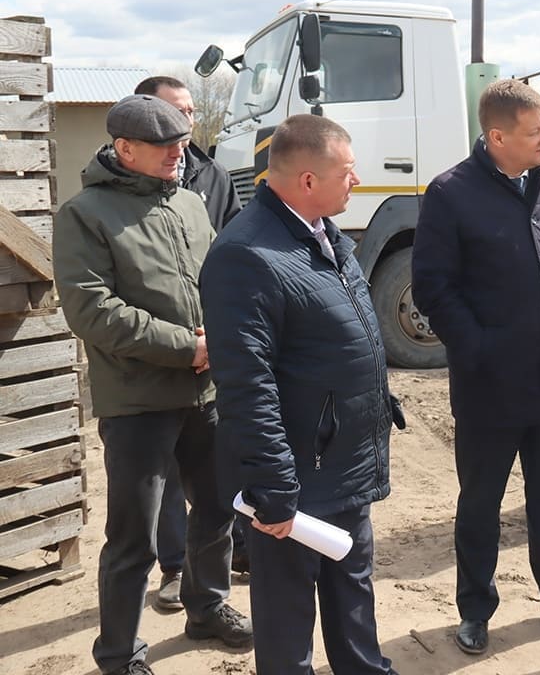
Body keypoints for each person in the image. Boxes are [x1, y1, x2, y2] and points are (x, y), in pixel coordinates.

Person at [411, 79, 540, 657]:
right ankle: (476, 609)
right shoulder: (451, 193)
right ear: (497, 137)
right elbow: (433, 287)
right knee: (481, 506)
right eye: (535, 131)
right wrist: (477, 348)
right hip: (490, 387)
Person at [54, 94, 252, 675]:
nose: (177, 154)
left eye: (181, 143)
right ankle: (119, 654)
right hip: (138, 400)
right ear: (124, 148)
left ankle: (206, 608)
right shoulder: (85, 214)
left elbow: (217, 280)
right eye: (164, 146)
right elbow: (92, 310)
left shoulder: (189, 203)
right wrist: (186, 347)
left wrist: (220, 335)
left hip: (206, 393)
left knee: (215, 510)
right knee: (132, 537)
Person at [199, 114, 397, 675]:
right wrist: (274, 487)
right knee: (288, 622)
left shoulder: (324, 234)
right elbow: (246, 384)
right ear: (308, 180)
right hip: (295, 476)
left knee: (353, 593)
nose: (357, 180)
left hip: (344, 459)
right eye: (347, 171)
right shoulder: (247, 255)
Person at [132, 75, 246, 608]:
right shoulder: (120, 189)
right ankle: (174, 568)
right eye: (173, 112)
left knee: (216, 476)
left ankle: (215, 581)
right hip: (155, 363)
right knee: (169, 478)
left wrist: (219, 329)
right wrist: (181, 342)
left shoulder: (212, 176)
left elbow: (234, 248)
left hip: (212, 351)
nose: (185, 123)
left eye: (190, 112)